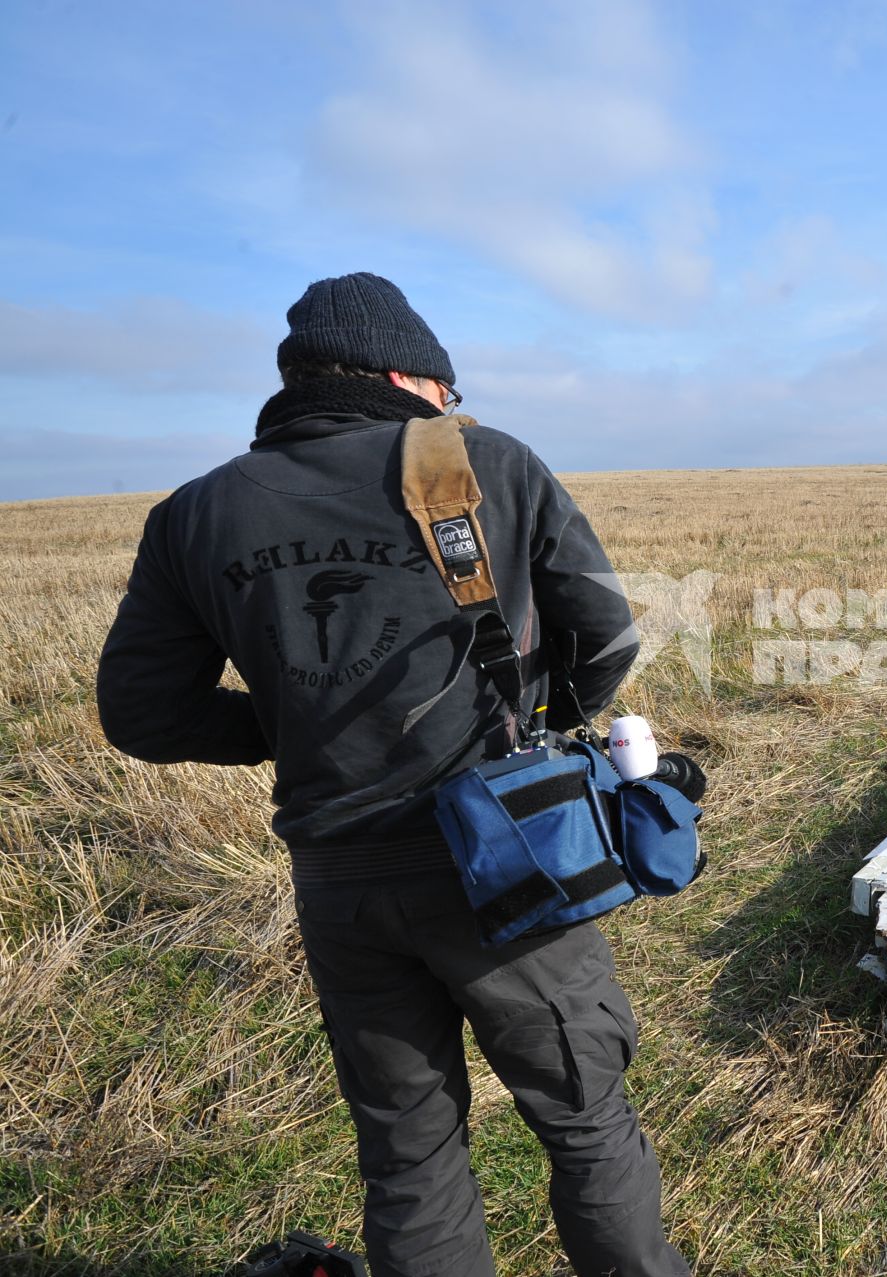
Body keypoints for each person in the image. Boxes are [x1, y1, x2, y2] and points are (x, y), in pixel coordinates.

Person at [96, 272, 691, 1277]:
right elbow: (608, 634)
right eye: (448, 393)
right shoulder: (487, 463)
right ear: (411, 376)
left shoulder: (194, 513)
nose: (454, 409)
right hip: (511, 861)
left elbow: (143, 713)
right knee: (584, 1118)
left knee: (408, 1152)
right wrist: (544, 728)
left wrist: (292, 724)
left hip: (340, 881)